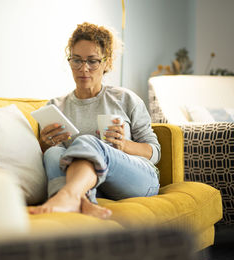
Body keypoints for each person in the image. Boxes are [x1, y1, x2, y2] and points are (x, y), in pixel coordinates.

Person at [28, 22, 161, 219]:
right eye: (76, 60)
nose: (84, 68)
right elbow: (52, 158)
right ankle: (84, 201)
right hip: (96, 186)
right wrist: (44, 145)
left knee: (87, 141)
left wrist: (123, 145)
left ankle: (66, 196)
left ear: (107, 63)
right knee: (55, 152)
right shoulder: (55, 106)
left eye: (92, 61)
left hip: (136, 179)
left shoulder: (125, 99)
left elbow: (155, 152)